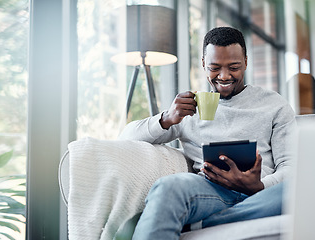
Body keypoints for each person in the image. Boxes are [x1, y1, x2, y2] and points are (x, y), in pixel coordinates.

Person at [118, 26, 296, 239]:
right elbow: (126, 138)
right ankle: (206, 217)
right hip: (209, 192)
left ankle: (202, 222)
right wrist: (167, 118)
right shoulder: (188, 108)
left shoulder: (274, 104)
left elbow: (291, 167)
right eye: (214, 67)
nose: (224, 76)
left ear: (246, 62)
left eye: (234, 67)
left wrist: (259, 186)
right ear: (203, 64)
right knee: (169, 187)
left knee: (300, 190)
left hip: (262, 194)